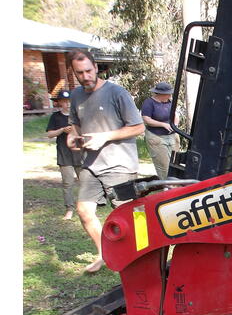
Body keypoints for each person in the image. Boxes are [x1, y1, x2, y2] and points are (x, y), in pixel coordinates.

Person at [65, 49, 145, 274]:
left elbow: (138, 127)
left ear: (96, 68)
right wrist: (73, 136)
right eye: (80, 73)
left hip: (119, 164)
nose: (85, 76)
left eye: (89, 71)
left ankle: (143, 254)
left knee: (131, 216)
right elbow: (75, 124)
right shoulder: (76, 96)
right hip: (91, 164)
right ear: (74, 73)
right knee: (84, 210)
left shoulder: (116, 93)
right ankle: (104, 254)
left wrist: (104, 137)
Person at [45, 90, 81, 220]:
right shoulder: (55, 117)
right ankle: (69, 209)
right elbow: (49, 134)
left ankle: (86, 205)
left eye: (69, 101)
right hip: (64, 154)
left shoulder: (77, 115)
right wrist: (61, 130)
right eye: (64, 101)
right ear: (59, 102)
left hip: (79, 152)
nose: (67, 104)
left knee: (85, 181)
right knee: (68, 183)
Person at [140, 82, 179, 179]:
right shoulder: (149, 103)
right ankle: (167, 189)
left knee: (175, 164)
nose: (170, 95)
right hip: (156, 138)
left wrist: (176, 125)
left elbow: (175, 115)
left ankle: (176, 186)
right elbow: (146, 119)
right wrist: (163, 125)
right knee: (164, 167)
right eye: (168, 93)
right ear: (160, 94)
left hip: (172, 136)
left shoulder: (170, 102)